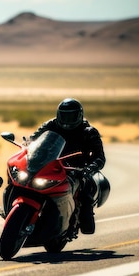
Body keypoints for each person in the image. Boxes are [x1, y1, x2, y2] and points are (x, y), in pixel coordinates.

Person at [29, 98, 106, 234]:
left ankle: (84, 217)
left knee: (86, 190)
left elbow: (100, 156)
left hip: (76, 169)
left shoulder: (89, 131)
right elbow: (34, 138)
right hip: (51, 165)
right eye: (64, 115)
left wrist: (88, 169)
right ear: (59, 114)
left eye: (71, 115)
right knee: (26, 179)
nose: (67, 119)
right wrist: (28, 145)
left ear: (79, 115)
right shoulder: (50, 124)